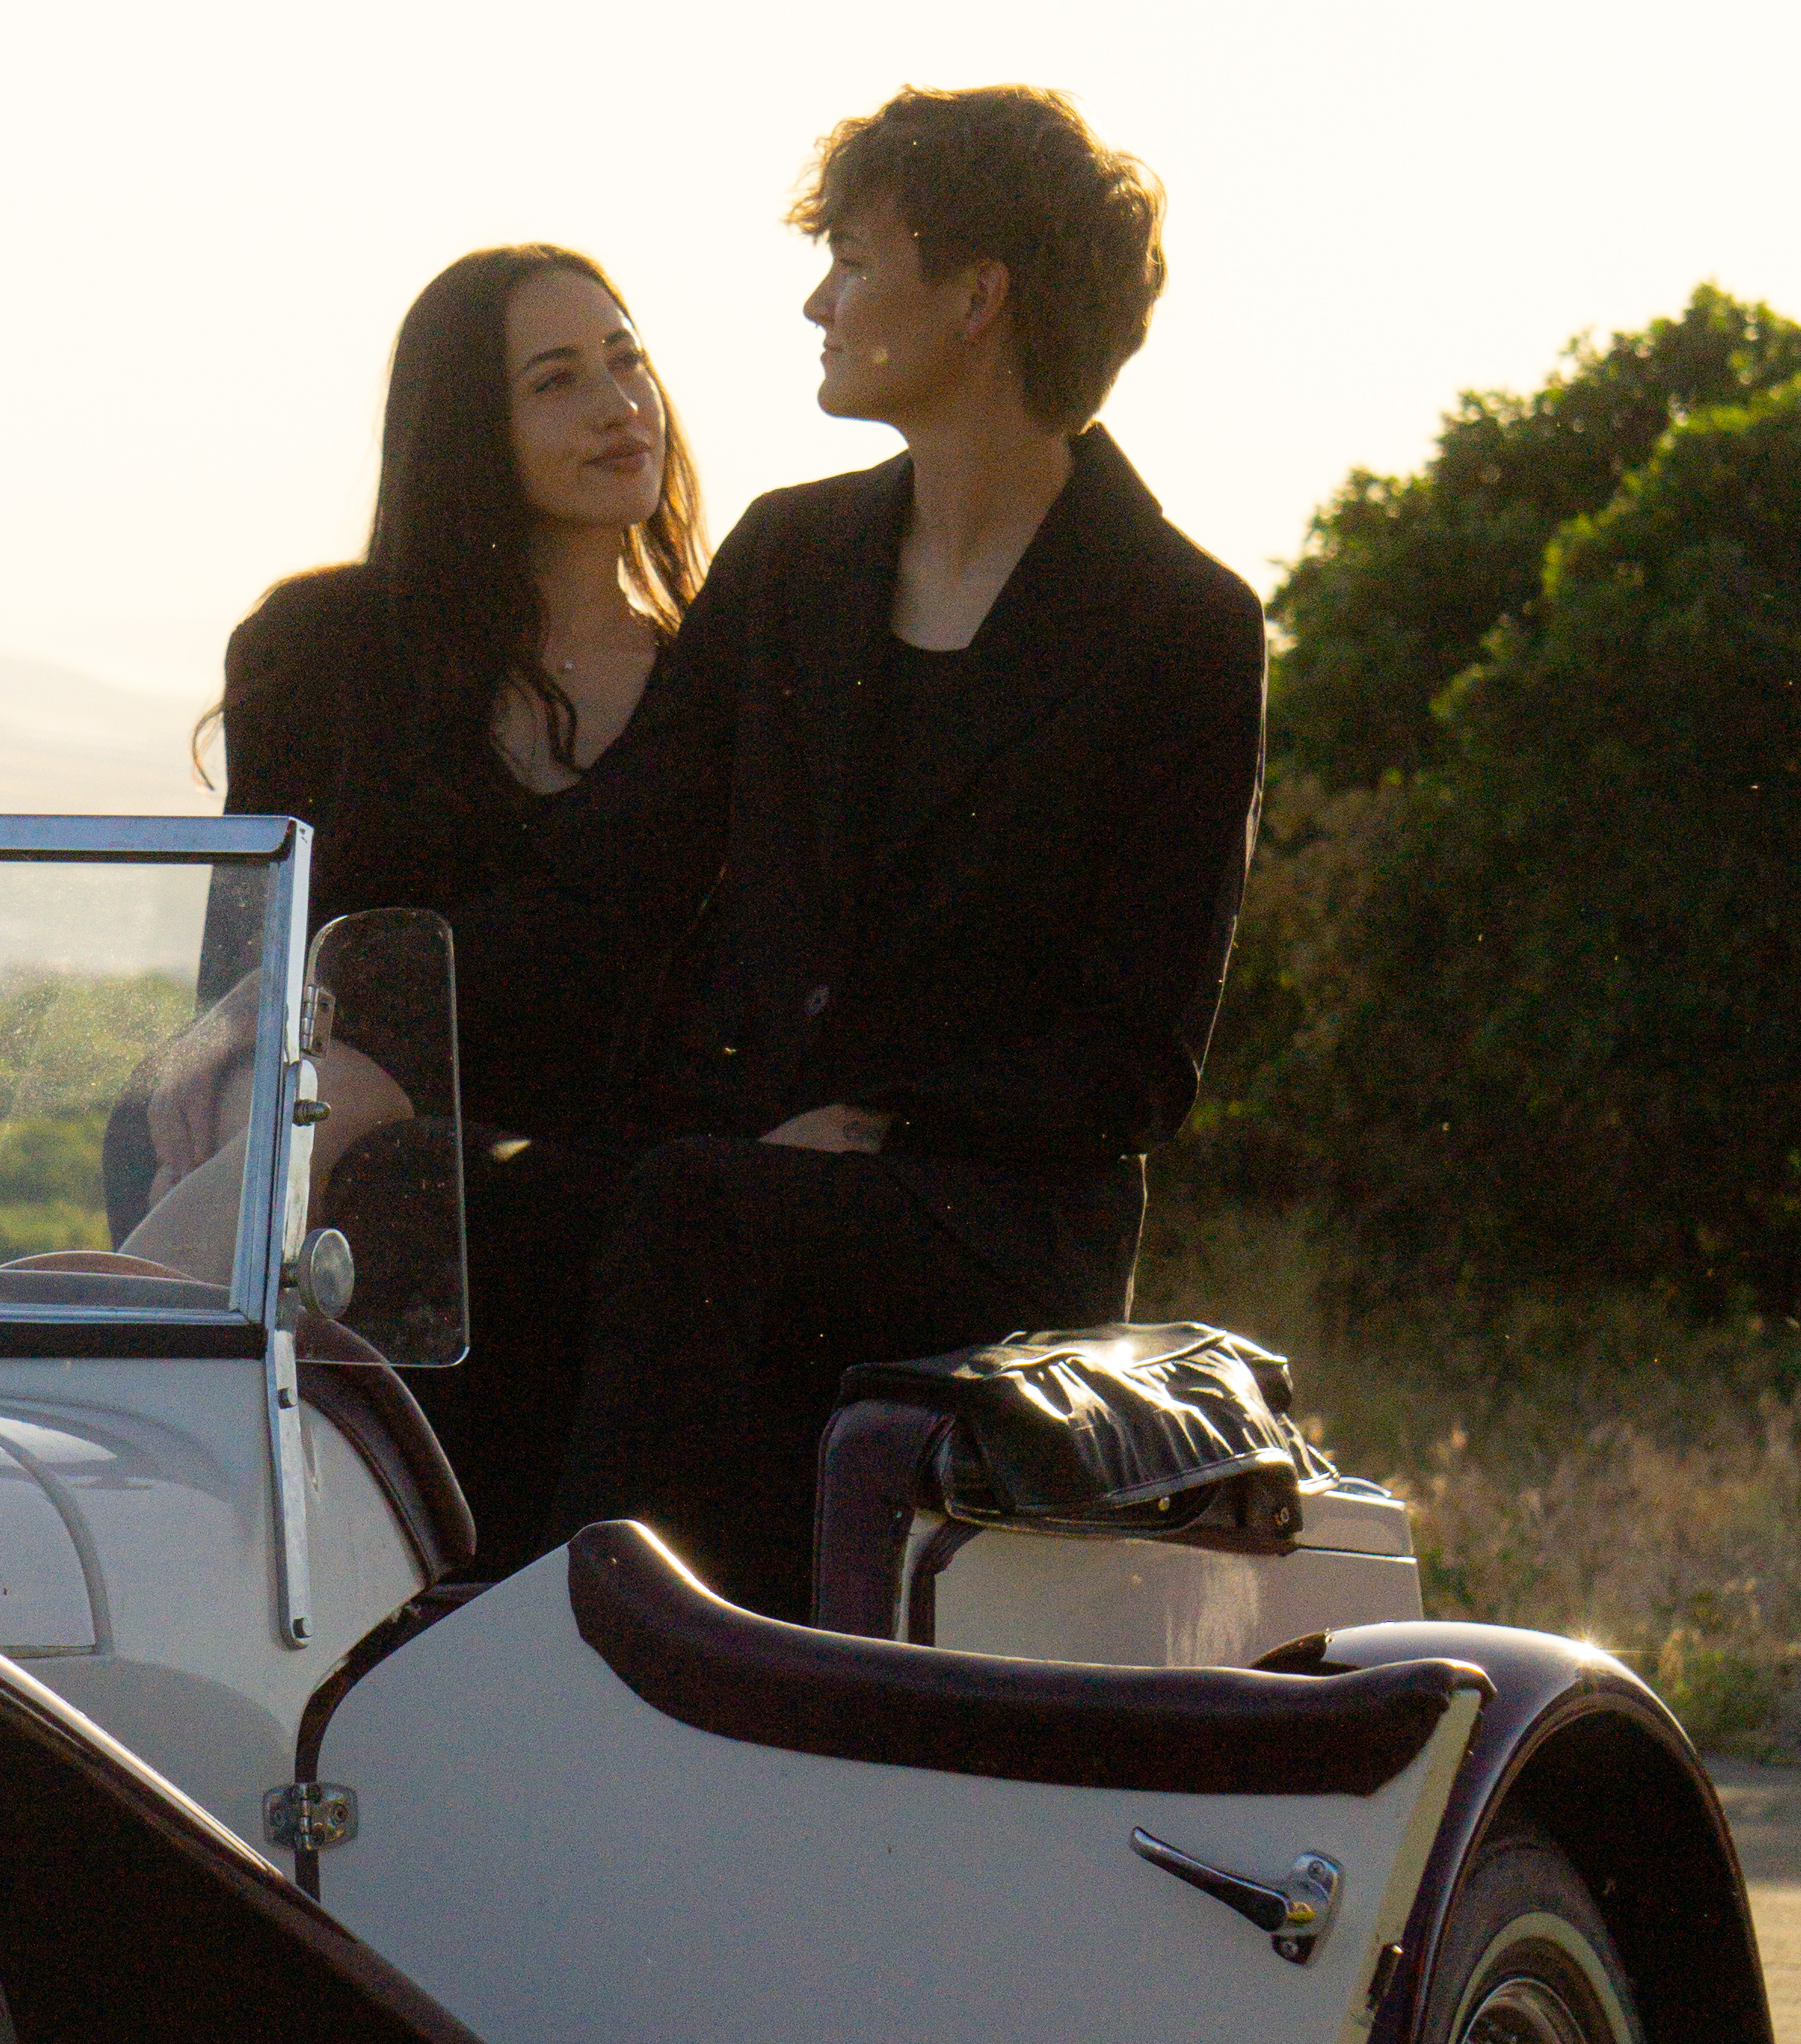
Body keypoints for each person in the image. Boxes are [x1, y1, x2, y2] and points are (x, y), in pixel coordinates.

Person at [514, 82, 1267, 1620]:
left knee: (692, 1215)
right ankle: (401, 1696)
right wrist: (357, 1020)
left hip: (989, 1221)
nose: (816, 299)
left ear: (976, 298)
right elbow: (614, 870)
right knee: (478, 1219)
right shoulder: (790, 556)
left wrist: (888, 1124)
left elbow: (1133, 1059)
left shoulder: (1179, 628)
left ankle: (597, 1673)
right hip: (746, 1164)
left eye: (853, 260)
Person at [125, 243, 707, 1556]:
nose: (619, 405)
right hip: (327, 1080)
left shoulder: (713, 673)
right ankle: (146, 1495)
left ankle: (105, 1378)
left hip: (580, 1123)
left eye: (629, 362)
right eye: (556, 382)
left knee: (336, 1133)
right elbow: (259, 933)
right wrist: (239, 1037)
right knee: (203, 1110)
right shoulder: (323, 646)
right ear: (468, 431)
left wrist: (359, 1057)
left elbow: (620, 950)